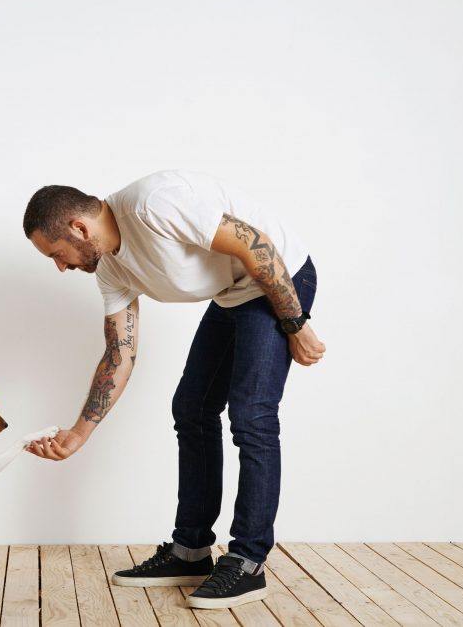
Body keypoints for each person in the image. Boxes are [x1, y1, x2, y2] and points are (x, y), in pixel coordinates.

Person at [21, 169, 325, 609]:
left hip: (278, 277)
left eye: (57, 254)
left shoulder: (153, 204)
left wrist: (295, 323)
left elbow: (256, 244)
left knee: (251, 414)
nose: (61, 267)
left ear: (79, 228)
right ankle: (191, 551)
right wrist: (77, 434)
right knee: (192, 408)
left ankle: (248, 561)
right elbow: (119, 354)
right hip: (233, 294)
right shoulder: (110, 270)